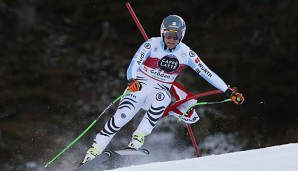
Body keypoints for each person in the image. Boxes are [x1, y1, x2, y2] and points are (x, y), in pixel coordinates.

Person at [80, 15, 244, 165]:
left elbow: (207, 73)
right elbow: (135, 62)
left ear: (182, 35)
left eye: (176, 36)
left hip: (157, 93)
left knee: (163, 98)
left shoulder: (186, 53)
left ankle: (137, 139)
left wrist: (228, 91)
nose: (171, 39)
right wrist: (132, 80)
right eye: (168, 35)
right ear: (162, 33)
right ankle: (92, 153)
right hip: (140, 87)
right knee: (120, 118)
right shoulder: (152, 44)